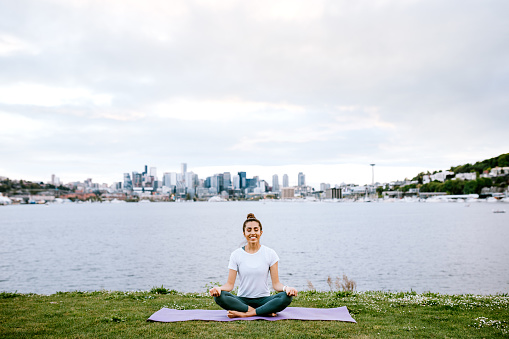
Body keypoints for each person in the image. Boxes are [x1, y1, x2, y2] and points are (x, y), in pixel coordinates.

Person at [209, 213, 298, 318]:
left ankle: (246, 314)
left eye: (256, 230)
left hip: (264, 300)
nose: (253, 233)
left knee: (286, 297)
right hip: (243, 301)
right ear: (244, 233)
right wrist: (218, 289)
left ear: (261, 232)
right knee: (220, 297)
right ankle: (262, 312)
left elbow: (276, 285)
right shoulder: (236, 255)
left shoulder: (270, 253)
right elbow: (229, 285)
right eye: (249, 230)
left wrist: (287, 288)